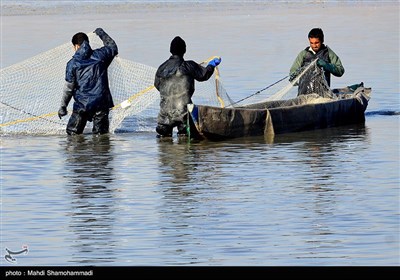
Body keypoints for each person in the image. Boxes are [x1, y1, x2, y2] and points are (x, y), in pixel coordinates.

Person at [154, 36, 221, 138]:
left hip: (164, 117)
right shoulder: (189, 66)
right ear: (184, 50)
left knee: (165, 143)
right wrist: (211, 65)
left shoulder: (161, 68)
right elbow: (203, 75)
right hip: (183, 115)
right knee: (184, 141)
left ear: (170, 50)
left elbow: (157, 85)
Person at [58, 28, 118, 135]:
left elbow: (68, 89)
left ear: (76, 46)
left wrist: (63, 107)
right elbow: (112, 47)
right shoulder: (101, 55)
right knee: (101, 137)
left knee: (73, 136)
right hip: (101, 103)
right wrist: (101, 33)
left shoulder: (72, 64)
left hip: (82, 105)